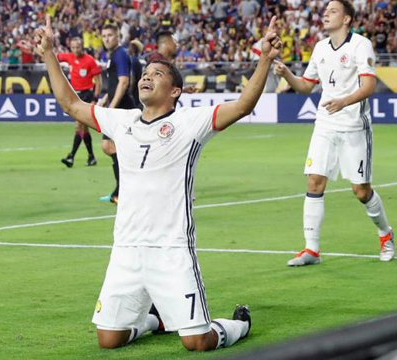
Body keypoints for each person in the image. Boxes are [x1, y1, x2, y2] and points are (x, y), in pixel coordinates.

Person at [35, 14, 282, 351]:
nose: (147, 77)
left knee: (197, 341)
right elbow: (70, 104)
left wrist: (265, 58)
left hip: (172, 249)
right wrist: (49, 52)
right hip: (127, 248)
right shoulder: (123, 121)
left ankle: (238, 324)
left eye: (158, 74)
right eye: (146, 74)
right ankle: (157, 320)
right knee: (109, 339)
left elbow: (242, 105)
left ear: (176, 91)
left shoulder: (190, 122)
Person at [274, 0, 394, 266]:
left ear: (347, 19)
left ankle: (385, 234)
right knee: (314, 182)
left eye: (332, 11)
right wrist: (286, 73)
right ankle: (311, 250)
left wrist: (343, 102)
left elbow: (369, 86)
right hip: (325, 125)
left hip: (354, 127)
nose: (325, 14)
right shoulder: (319, 48)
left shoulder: (360, 45)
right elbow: (306, 87)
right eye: (325, 11)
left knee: (361, 191)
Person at [98, 23, 135, 204]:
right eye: (104, 36)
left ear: (117, 36)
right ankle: (120, 191)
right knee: (112, 147)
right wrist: (105, 99)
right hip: (117, 105)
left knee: (110, 146)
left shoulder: (120, 54)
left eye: (110, 35)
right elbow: (114, 84)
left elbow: (123, 82)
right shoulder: (112, 55)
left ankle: (122, 192)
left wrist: (111, 107)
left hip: (122, 108)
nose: (106, 39)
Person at [58, 37, 101, 168]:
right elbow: (52, 56)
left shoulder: (90, 60)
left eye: (78, 47)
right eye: (73, 48)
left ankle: (71, 157)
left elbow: (98, 81)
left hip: (86, 96)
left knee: (78, 127)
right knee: (84, 129)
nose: (76, 50)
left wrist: (95, 98)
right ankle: (91, 157)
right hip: (75, 95)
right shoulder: (69, 57)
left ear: (82, 47)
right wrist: (35, 49)